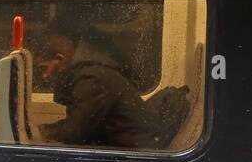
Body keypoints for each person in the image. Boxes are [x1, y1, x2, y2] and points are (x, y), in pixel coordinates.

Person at [32, 17, 161, 149]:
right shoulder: (89, 72)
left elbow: (74, 133)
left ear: (60, 58)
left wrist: (37, 133)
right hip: (127, 146)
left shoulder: (92, 79)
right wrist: (41, 130)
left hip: (138, 154)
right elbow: (77, 123)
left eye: (44, 68)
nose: (45, 76)